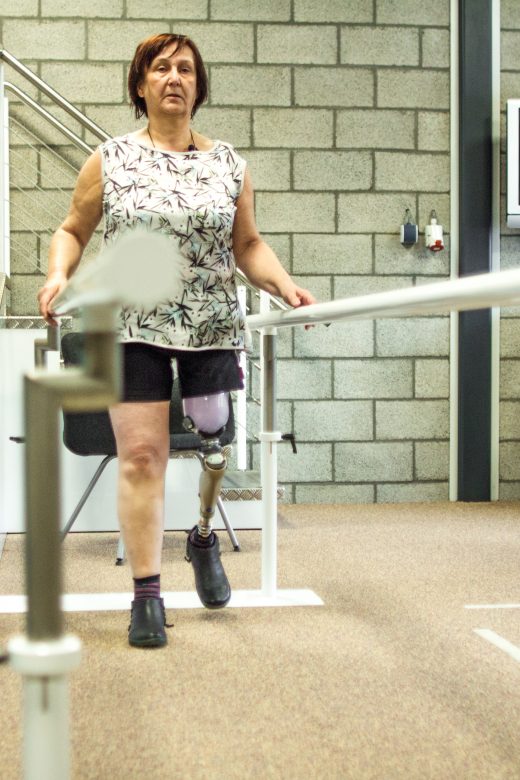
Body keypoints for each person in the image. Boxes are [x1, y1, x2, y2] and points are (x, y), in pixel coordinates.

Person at [38, 32, 315, 649]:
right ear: (140, 85)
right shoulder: (110, 159)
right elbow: (73, 228)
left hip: (211, 324)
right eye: (160, 67)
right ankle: (146, 595)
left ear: (198, 86)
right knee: (141, 457)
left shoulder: (230, 166)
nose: (174, 77)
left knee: (213, 440)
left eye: (185, 69)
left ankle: (200, 535)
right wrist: (60, 272)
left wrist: (285, 286)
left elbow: (247, 245)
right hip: (131, 325)